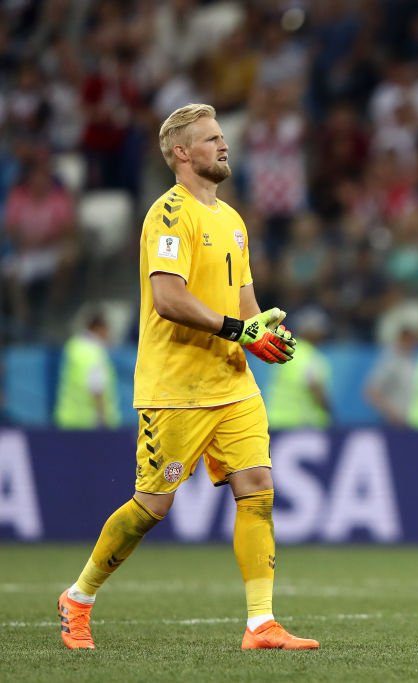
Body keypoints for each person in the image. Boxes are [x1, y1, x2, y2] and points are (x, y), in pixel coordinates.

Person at [57, 103, 318, 651]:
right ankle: (79, 598)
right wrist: (236, 329)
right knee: (152, 507)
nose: (224, 146)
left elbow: (245, 309)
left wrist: (261, 332)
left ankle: (260, 624)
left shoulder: (233, 221)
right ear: (181, 152)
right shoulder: (169, 215)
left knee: (259, 491)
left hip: (232, 383)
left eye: (223, 137)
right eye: (211, 139)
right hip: (176, 387)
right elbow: (169, 299)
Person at [53, 309, 121, 429]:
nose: (109, 334)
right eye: (107, 330)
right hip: (89, 423)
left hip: (68, 418)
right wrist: (103, 419)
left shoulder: (74, 345)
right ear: (99, 328)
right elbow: (96, 386)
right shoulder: (94, 351)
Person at [267, 307, 333, 429]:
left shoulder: (287, 350)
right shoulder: (311, 356)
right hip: (300, 424)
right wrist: (329, 411)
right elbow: (315, 388)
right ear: (310, 331)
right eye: (319, 329)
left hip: (276, 420)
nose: (323, 334)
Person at [364, 323, 418, 427]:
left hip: (411, 422)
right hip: (394, 423)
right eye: (407, 339)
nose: (411, 343)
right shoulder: (390, 362)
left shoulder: (411, 359)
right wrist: (391, 412)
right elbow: (371, 391)